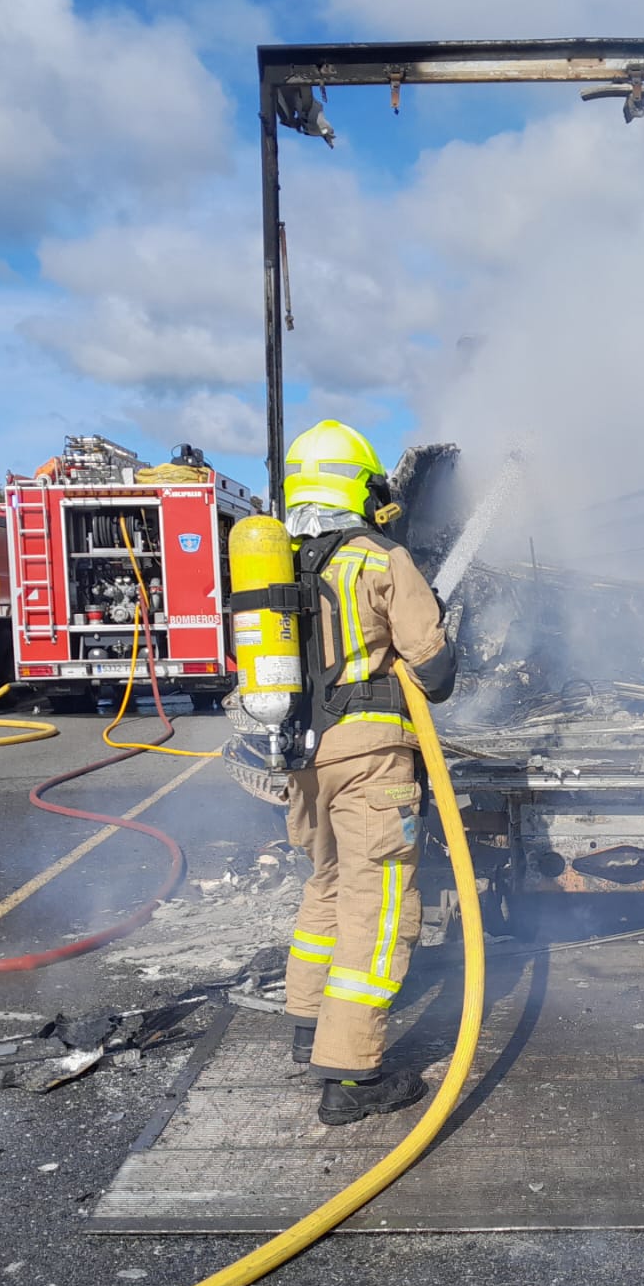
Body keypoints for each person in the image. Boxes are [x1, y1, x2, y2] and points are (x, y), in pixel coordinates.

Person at [276, 420, 458, 1126]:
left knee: (325, 887)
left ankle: (307, 1023)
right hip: (370, 756)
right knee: (378, 907)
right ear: (361, 484)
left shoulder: (284, 568)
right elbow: (432, 667)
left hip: (304, 761)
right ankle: (353, 1078)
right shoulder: (378, 557)